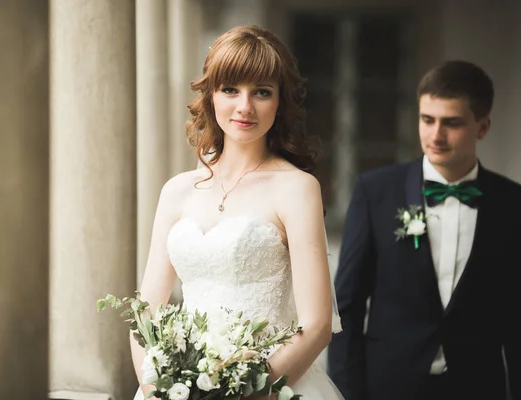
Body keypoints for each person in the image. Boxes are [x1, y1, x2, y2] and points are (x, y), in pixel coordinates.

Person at [131, 25, 344, 400]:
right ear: (211, 95)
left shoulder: (297, 189)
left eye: (261, 92)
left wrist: (245, 392)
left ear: (280, 103)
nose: (245, 106)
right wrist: (157, 389)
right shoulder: (177, 191)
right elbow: (145, 312)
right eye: (231, 89)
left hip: (271, 389)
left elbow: (317, 326)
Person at [327, 60, 521, 400]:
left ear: (483, 126)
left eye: (452, 123)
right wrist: (347, 394)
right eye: (427, 120)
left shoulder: (511, 203)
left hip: (478, 388)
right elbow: (347, 306)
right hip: (388, 387)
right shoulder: (376, 192)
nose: (435, 135)